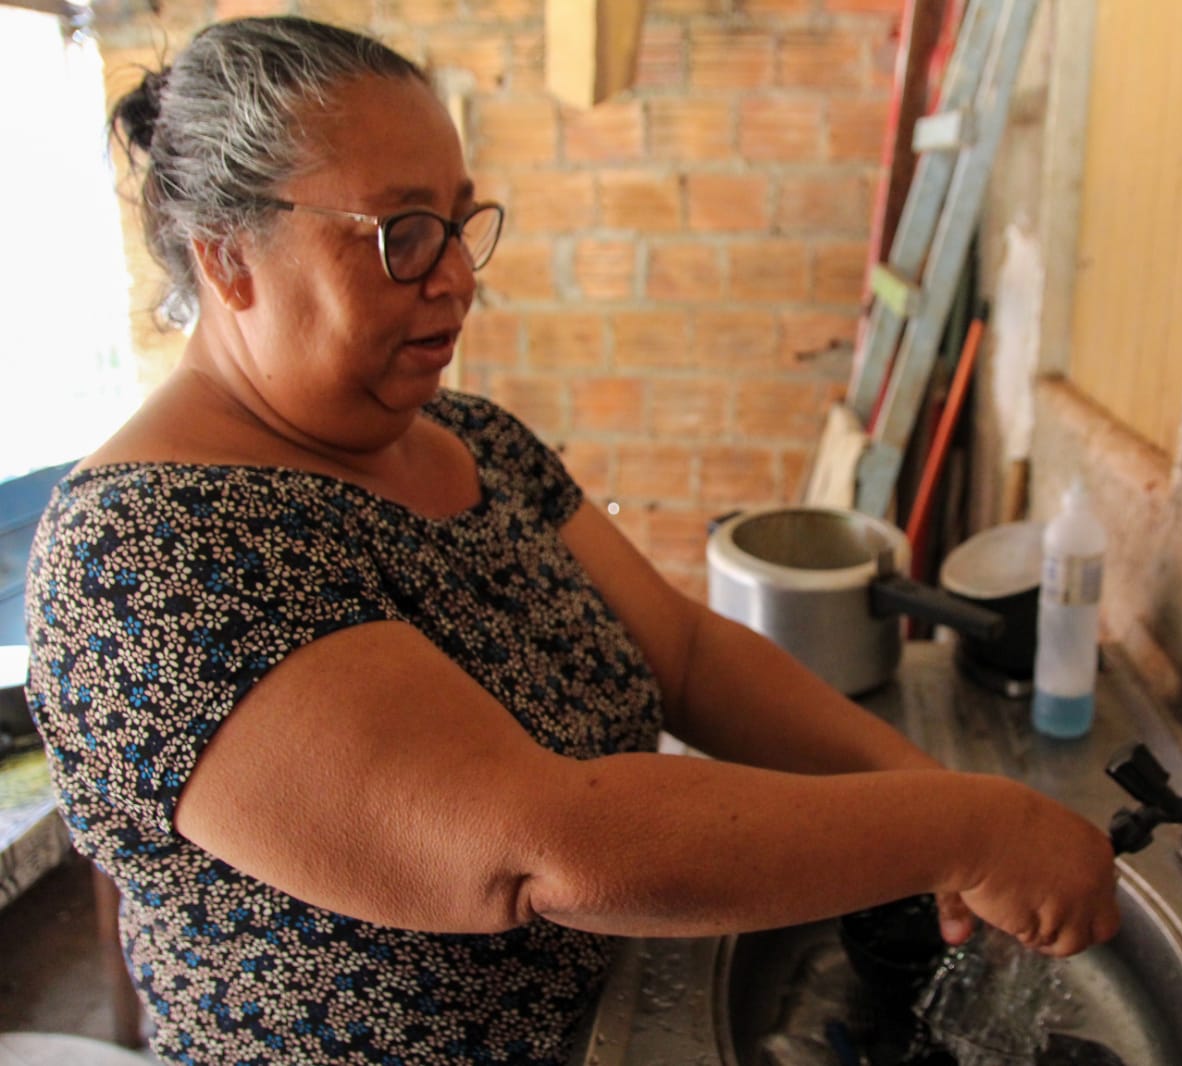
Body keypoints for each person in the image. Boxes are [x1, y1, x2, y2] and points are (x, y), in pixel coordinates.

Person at [23, 16, 1119, 1065]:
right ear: (227, 260)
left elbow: (685, 653)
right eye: (400, 234)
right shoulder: (145, 556)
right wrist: (962, 828)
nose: (456, 276)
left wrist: (916, 795)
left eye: (458, 223)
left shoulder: (472, 441)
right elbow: (538, 846)